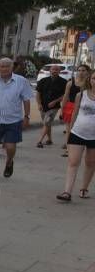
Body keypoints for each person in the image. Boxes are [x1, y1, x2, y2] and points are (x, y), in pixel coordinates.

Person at [0, 57, 33, 178]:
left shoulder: (21, 81)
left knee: (10, 147)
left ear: (12, 67)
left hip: (14, 120)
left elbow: (26, 100)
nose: (4, 68)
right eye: (2, 66)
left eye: (7, 66)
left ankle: (9, 161)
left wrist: (26, 116)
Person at [56, 70, 95, 202]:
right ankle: (67, 192)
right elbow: (75, 114)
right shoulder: (81, 95)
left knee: (90, 163)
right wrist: (70, 131)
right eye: (94, 78)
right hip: (78, 132)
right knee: (73, 162)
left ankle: (84, 188)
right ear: (90, 80)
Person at [61, 65, 91, 157]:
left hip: (84, 109)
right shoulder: (70, 83)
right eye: (79, 70)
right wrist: (62, 109)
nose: (81, 72)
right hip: (70, 107)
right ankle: (68, 149)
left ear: (87, 72)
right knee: (69, 129)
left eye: (83, 70)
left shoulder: (89, 84)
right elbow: (66, 96)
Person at [35, 64, 67, 147]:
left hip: (54, 107)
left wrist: (55, 101)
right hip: (43, 106)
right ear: (50, 70)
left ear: (59, 71)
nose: (54, 71)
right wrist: (39, 104)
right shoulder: (43, 80)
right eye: (53, 69)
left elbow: (65, 95)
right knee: (47, 124)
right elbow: (38, 93)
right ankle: (49, 140)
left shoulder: (64, 82)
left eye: (56, 70)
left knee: (47, 122)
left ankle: (40, 141)